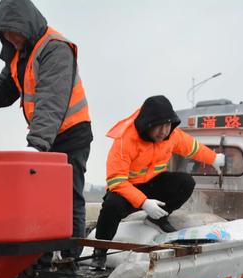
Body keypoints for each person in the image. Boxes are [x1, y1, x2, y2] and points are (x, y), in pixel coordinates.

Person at [0, 0, 93, 261]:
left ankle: (69, 258)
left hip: (72, 134)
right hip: (45, 136)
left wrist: (35, 145)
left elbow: (51, 101)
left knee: (68, 197)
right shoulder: (19, 55)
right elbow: (4, 90)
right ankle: (42, 258)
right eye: (6, 37)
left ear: (26, 26)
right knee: (41, 200)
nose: (12, 41)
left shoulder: (55, 49)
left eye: (15, 35)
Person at [94, 95, 225, 266]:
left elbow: (193, 148)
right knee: (111, 205)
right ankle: (99, 250)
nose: (163, 131)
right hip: (127, 190)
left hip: (153, 185)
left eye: (167, 125)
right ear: (147, 124)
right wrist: (144, 202)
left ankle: (157, 218)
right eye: (159, 126)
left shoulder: (171, 135)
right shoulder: (125, 140)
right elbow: (116, 181)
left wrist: (214, 159)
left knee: (185, 182)